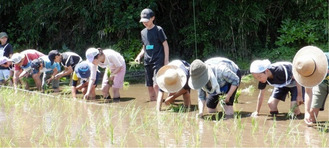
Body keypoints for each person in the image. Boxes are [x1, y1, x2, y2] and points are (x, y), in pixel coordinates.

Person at [134, 8, 169, 101]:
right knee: (149, 85)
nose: (144, 23)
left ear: (153, 18)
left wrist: (166, 60)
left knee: (156, 84)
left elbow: (165, 45)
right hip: (147, 60)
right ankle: (153, 103)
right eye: (143, 21)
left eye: (146, 20)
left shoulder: (158, 30)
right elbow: (144, 47)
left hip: (158, 60)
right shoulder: (143, 32)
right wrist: (139, 56)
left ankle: (159, 103)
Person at [291, 46, 328, 126]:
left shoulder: (324, 61)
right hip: (321, 84)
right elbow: (308, 92)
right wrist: (307, 112)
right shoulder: (307, 69)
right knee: (311, 117)